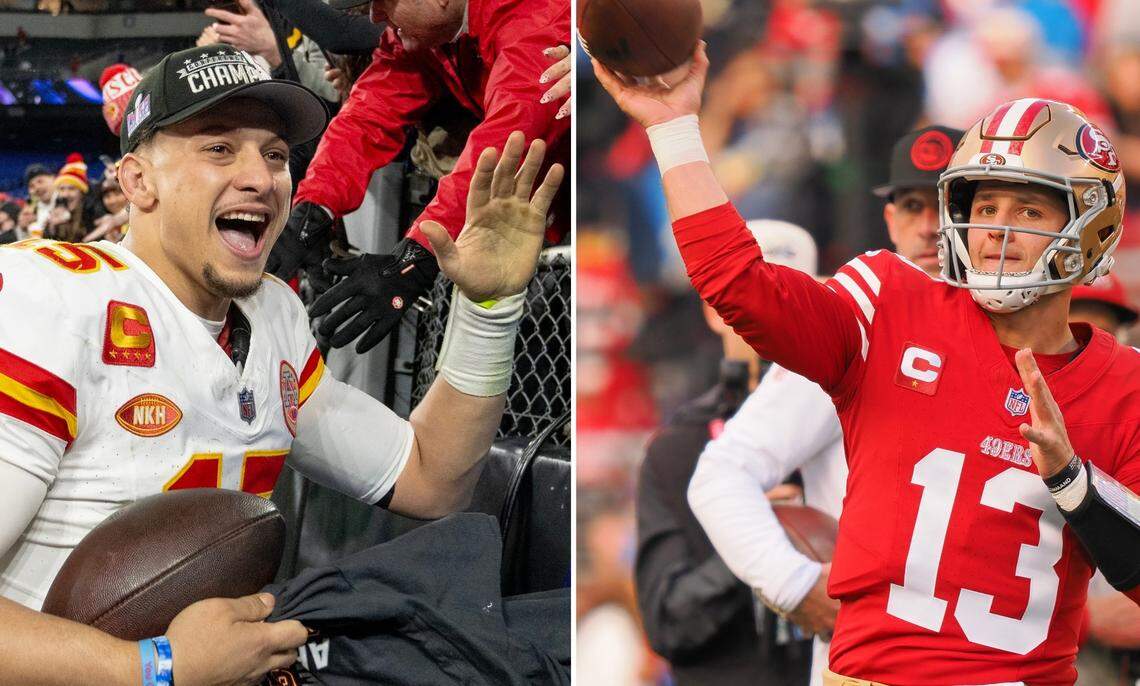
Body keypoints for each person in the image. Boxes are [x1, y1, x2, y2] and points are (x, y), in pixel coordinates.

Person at [0, 43, 562, 685]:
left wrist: (487, 309)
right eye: (218, 148)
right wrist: (153, 669)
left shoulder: (272, 317)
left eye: (273, 153)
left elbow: (433, 479)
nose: (261, 177)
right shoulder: (52, 302)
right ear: (137, 181)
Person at [595, 44, 1140, 684]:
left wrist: (1076, 483)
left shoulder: (1124, 387)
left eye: (1027, 209)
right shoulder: (890, 298)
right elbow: (741, 287)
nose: (996, 229)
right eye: (983, 206)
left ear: (1091, 228)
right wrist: (673, 128)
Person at [688, 125, 962, 686]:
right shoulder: (862, 324)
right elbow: (720, 473)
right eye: (912, 206)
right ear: (889, 220)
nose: (930, 226)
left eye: (944, 203)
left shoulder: (1012, 329)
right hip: (876, 661)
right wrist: (794, 584)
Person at [267, 0, 570, 354]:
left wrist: (416, 256)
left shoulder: (533, 16)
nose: (375, 18)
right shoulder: (431, 34)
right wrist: (314, 206)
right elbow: (372, 109)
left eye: (383, 3)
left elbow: (508, 141)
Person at [635, 219, 818, 685]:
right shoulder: (678, 447)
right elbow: (668, 625)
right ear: (713, 308)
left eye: (787, 296)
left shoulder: (847, 425)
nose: (769, 316)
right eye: (748, 295)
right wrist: (753, 534)